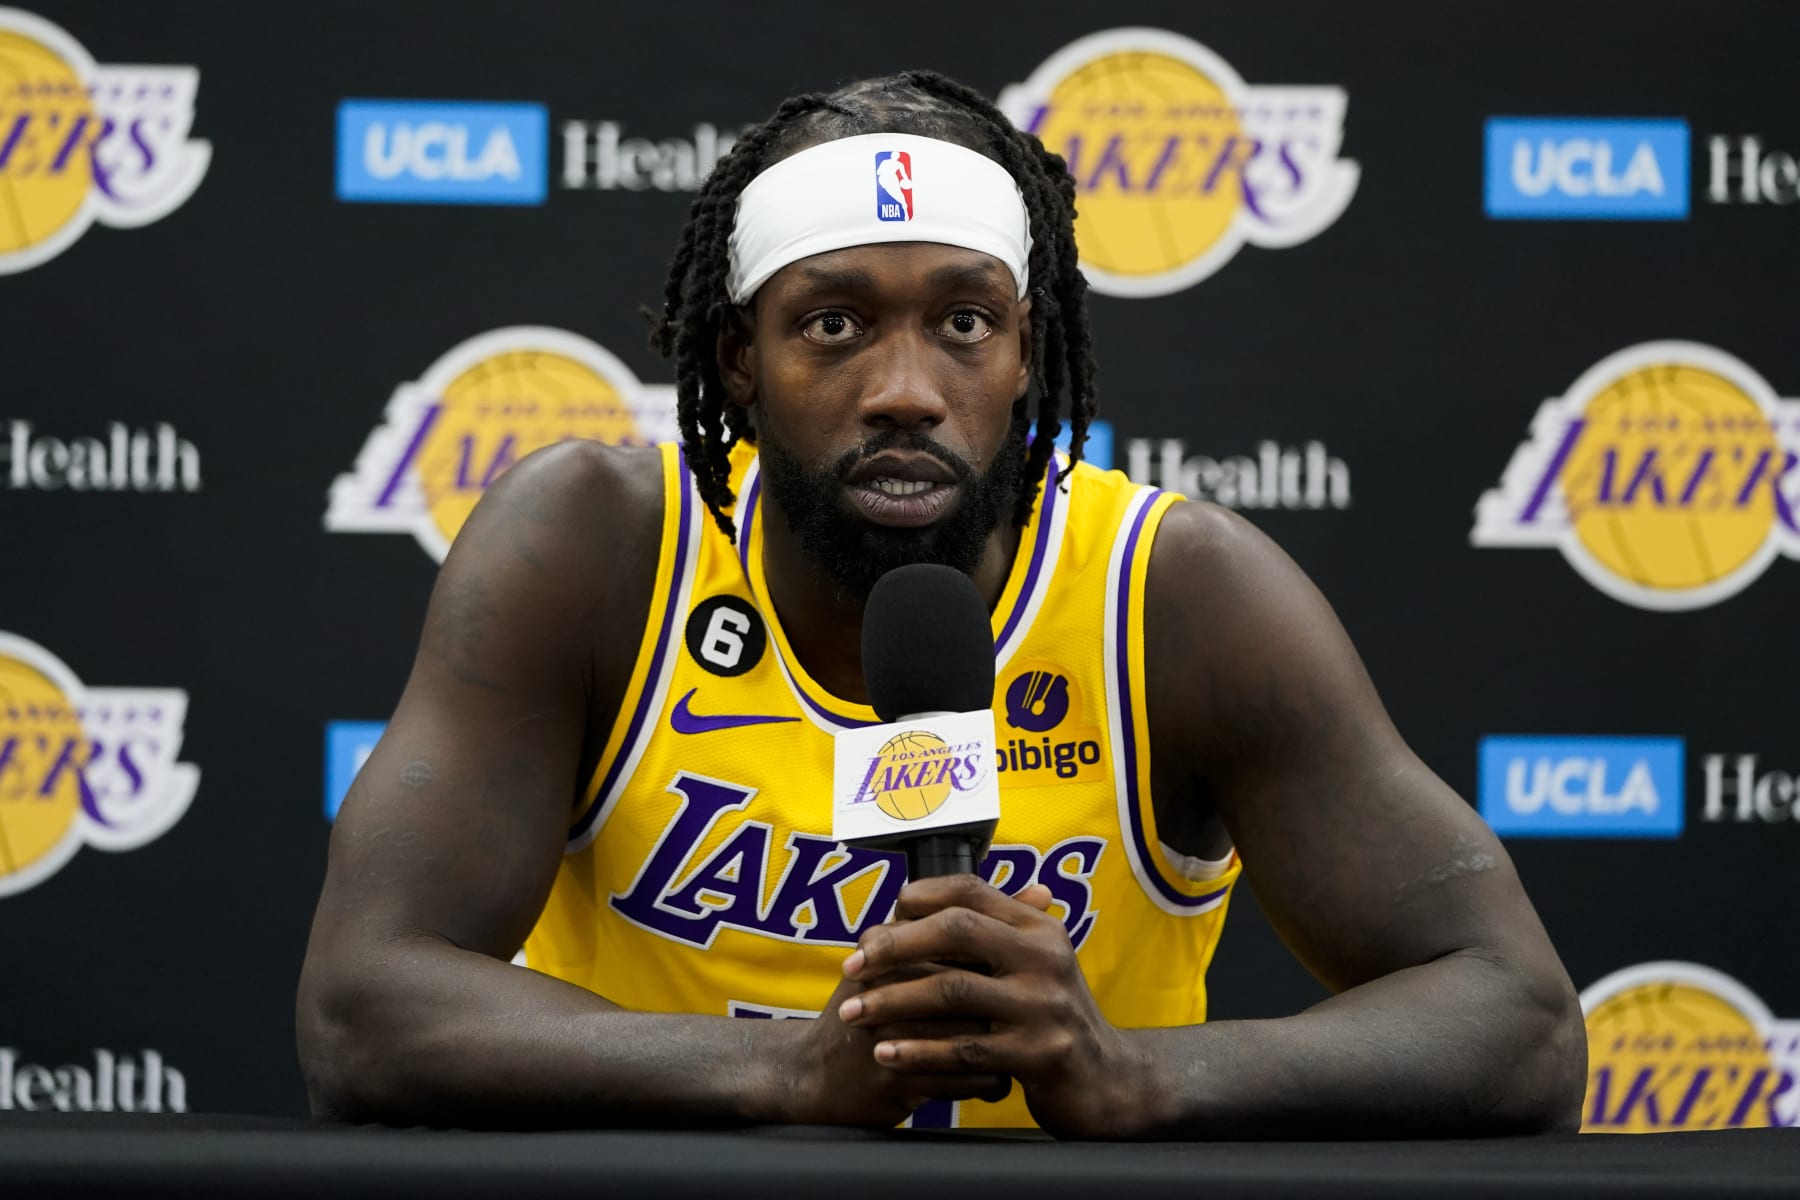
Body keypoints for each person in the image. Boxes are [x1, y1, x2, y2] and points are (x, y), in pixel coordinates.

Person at [296, 71, 1585, 1137]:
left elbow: (1518, 1020)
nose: (905, 390)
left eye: (964, 322)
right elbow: (363, 1006)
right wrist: (793, 1073)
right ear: (739, 359)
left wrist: (1135, 1074)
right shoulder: (598, 549)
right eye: (835, 325)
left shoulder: (1174, 595)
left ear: (1025, 353)